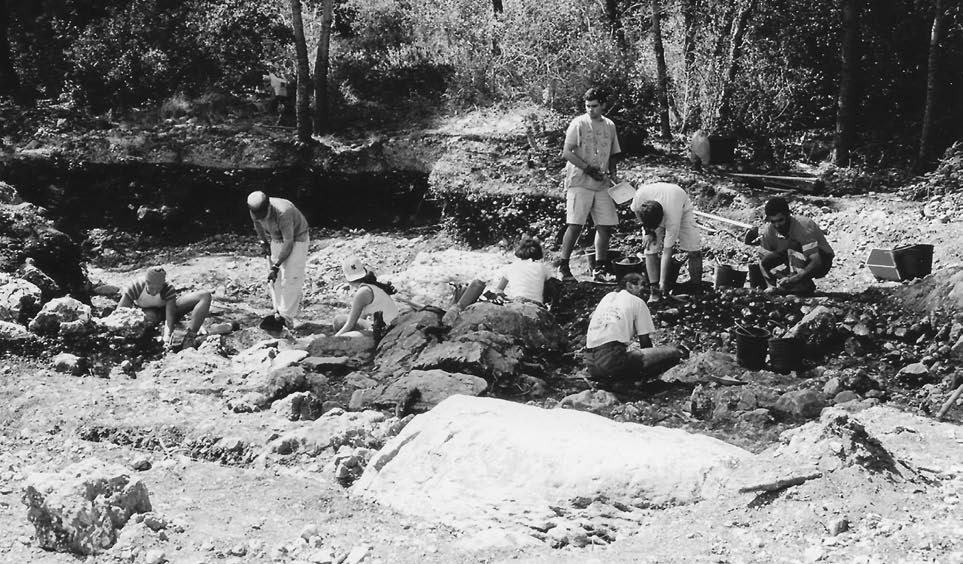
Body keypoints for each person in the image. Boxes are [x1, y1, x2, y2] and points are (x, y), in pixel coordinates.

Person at [557, 87, 622, 283]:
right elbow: (567, 152)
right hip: (580, 181)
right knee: (576, 224)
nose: (590, 110)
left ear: (603, 105)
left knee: (605, 225)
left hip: (602, 183)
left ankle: (599, 268)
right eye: (587, 106)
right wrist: (587, 168)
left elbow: (612, 153)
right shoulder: (578, 123)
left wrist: (614, 175)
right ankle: (563, 266)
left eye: (594, 106)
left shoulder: (609, 125)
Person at [583, 272, 685, 389]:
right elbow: (645, 343)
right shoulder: (637, 302)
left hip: (591, 364)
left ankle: (612, 382)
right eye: (642, 285)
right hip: (611, 360)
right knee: (674, 353)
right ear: (630, 286)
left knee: (625, 357)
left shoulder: (607, 298)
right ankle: (634, 384)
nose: (646, 289)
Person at [441, 235, 561, 325]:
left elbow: (498, 291)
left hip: (518, 304)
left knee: (478, 284)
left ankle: (456, 309)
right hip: (537, 307)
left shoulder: (511, 267)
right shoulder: (542, 268)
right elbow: (553, 289)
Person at [743, 197, 834, 294]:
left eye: (780, 220)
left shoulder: (803, 226)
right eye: (773, 221)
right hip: (793, 258)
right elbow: (763, 260)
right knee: (766, 260)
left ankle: (799, 285)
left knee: (793, 245)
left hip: (822, 259)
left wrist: (795, 279)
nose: (777, 225)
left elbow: (816, 261)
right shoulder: (770, 230)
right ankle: (803, 284)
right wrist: (771, 285)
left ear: (788, 215)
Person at [630, 182, 703, 303]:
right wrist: (648, 231)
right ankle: (654, 290)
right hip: (656, 203)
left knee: (694, 248)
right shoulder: (640, 197)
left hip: (679, 203)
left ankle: (696, 287)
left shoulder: (672, 218)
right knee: (650, 247)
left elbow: (667, 251)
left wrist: (663, 283)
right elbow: (636, 211)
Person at [248, 191, 310, 329]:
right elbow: (257, 225)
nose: (261, 218)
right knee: (275, 279)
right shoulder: (255, 211)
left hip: (297, 238)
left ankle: (285, 318)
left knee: (292, 277)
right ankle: (279, 312)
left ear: (268, 206)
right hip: (276, 238)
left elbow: (289, 242)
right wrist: (263, 242)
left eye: (264, 215)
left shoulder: (283, 212)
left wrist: (276, 266)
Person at [117, 266, 212, 350]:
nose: (155, 292)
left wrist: (167, 337)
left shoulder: (168, 288)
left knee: (205, 296)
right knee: (150, 315)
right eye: (152, 288)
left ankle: (190, 336)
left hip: (167, 311)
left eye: (158, 288)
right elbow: (119, 313)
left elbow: (169, 318)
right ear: (147, 283)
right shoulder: (136, 287)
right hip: (146, 314)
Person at [335, 257, 399, 338]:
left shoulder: (362, 293)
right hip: (386, 323)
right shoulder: (370, 285)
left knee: (341, 340)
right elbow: (361, 317)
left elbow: (350, 324)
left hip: (385, 330)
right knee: (339, 320)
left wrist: (333, 339)